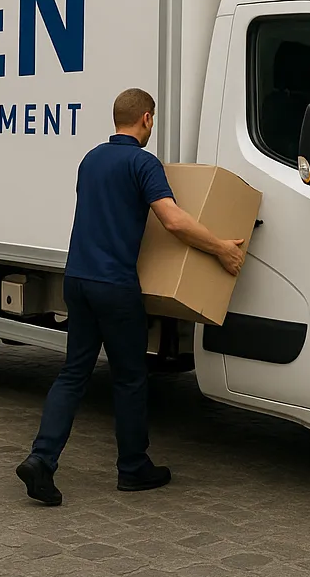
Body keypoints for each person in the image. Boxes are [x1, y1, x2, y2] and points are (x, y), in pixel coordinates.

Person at [16, 88, 246, 506]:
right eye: (152, 119)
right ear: (145, 119)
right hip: (114, 285)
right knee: (129, 377)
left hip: (78, 280)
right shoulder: (143, 162)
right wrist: (221, 249)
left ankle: (41, 459)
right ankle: (133, 467)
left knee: (73, 374)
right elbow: (173, 221)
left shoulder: (90, 160)